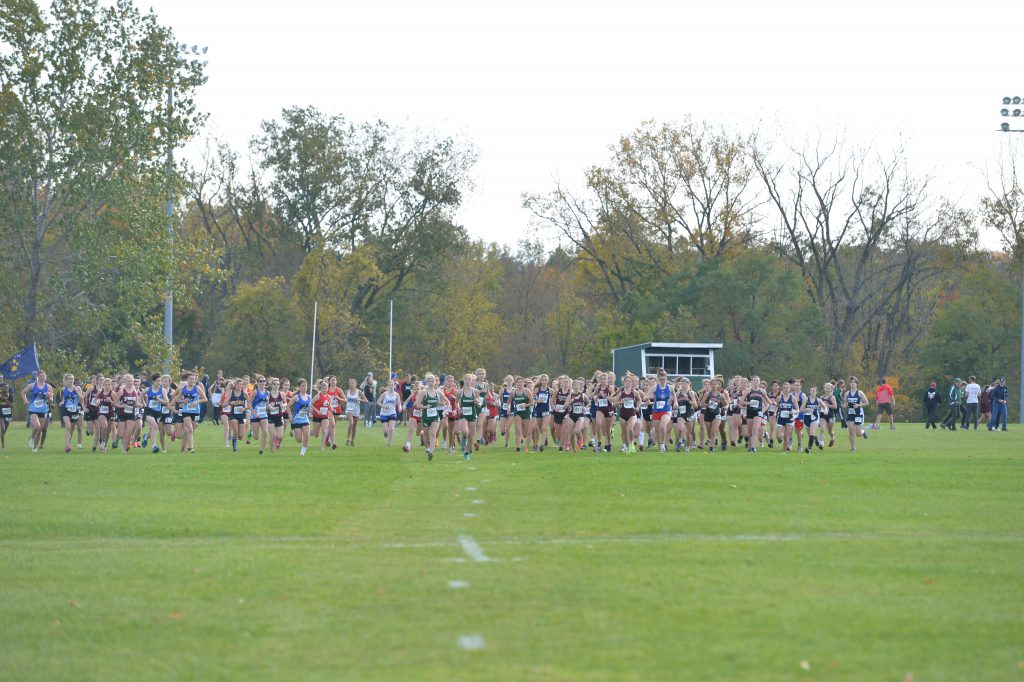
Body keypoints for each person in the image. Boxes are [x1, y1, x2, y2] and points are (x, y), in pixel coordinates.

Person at [844, 377, 869, 452]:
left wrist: (858, 405)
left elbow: (867, 402)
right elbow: (845, 403)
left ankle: (863, 431)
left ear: (857, 384)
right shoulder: (847, 393)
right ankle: (853, 448)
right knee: (851, 432)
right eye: (851, 382)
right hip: (851, 414)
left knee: (858, 434)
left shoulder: (859, 393)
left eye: (854, 382)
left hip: (858, 414)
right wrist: (844, 405)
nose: (852, 384)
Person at [377, 379, 402, 446]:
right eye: (390, 385)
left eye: (392, 385)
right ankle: (386, 433)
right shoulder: (385, 394)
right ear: (388, 386)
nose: (391, 386)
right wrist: (383, 406)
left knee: (391, 428)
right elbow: (378, 402)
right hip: (384, 414)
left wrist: (400, 408)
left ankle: (389, 443)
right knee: (385, 432)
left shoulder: (396, 395)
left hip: (392, 413)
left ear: (394, 386)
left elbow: (399, 404)